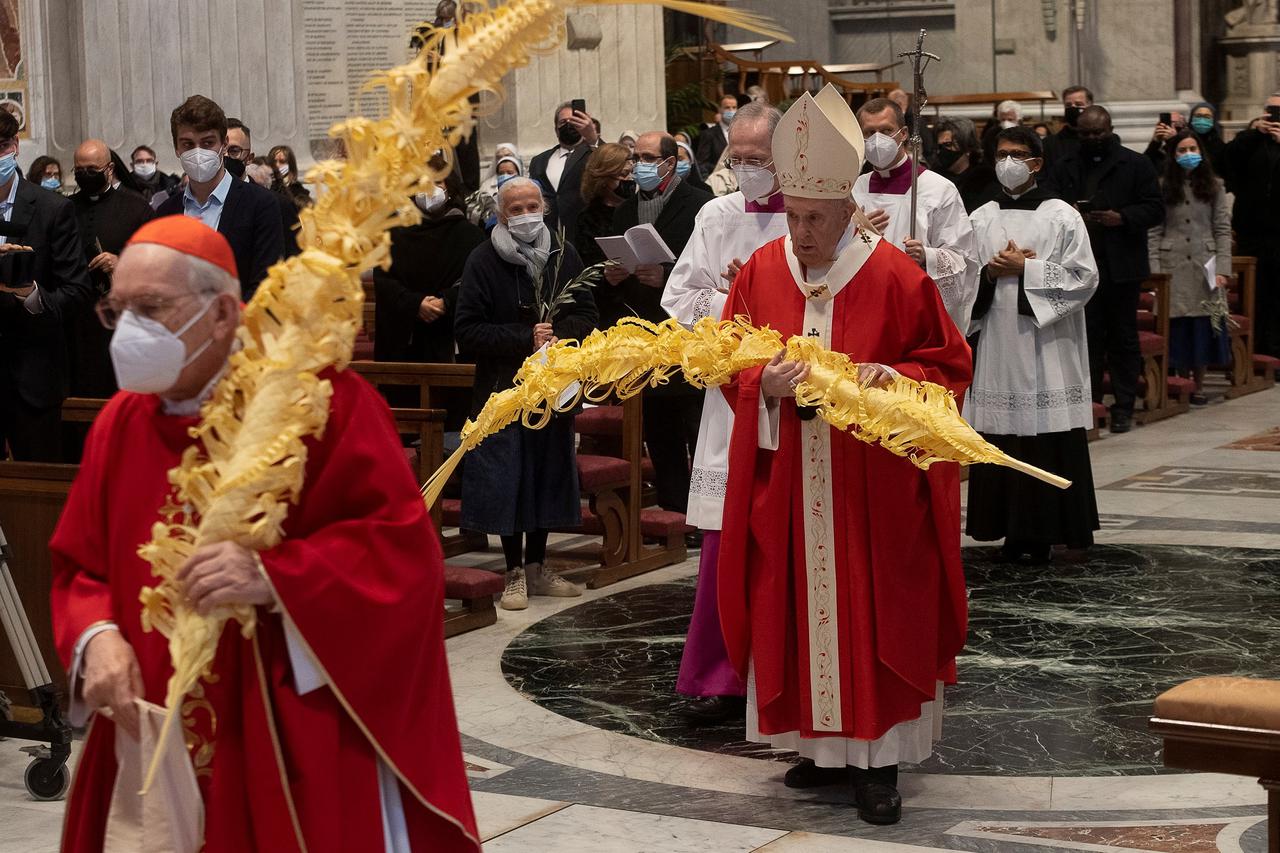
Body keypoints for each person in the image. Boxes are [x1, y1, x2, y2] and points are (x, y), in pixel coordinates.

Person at [50, 215, 480, 851]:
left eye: (151, 308)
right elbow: (80, 567)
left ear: (224, 312)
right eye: (117, 312)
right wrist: (96, 636)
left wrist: (277, 576)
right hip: (148, 724)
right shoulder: (120, 422)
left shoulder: (317, 404)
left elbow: (402, 553)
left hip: (276, 725)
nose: (131, 330)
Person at [716, 84, 972, 826]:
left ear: (847, 208)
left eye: (814, 219)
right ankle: (816, 748)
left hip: (873, 486)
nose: (799, 232)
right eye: (792, 216)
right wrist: (759, 383)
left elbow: (947, 366)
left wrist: (899, 381)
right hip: (790, 476)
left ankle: (877, 760)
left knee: (875, 608)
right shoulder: (760, 271)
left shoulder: (895, 273)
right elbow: (729, 356)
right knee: (791, 601)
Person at [660, 101, 789, 725]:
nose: (745, 171)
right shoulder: (717, 213)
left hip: (795, 395)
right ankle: (720, 675)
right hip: (731, 397)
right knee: (724, 538)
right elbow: (677, 296)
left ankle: (786, 672)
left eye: (757, 160)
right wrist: (731, 295)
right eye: (736, 160)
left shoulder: (818, 212)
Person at [454, 177, 595, 610]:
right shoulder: (482, 259)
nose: (525, 215)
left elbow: (588, 315)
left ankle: (538, 566)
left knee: (545, 473)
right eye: (515, 209)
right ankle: (513, 570)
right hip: (503, 390)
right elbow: (467, 330)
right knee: (506, 478)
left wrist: (558, 333)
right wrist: (523, 337)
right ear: (501, 214)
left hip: (552, 390)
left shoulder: (562, 254)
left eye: (532, 205)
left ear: (546, 208)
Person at [965, 126, 1100, 563]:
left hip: (1048, 344)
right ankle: (1004, 527)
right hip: (1000, 343)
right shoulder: (981, 216)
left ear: (1037, 163)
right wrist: (988, 273)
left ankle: (1055, 527)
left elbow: (1084, 278)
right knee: (1003, 434)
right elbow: (965, 277)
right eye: (1002, 154)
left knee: (1049, 433)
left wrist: (1028, 269)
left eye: (1018, 154)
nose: (1008, 161)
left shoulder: (1062, 215)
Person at [601, 131, 713, 516]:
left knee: (696, 427)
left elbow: (708, 268)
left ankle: (703, 511)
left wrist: (666, 274)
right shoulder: (624, 209)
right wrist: (615, 276)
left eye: (648, 157)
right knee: (659, 427)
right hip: (644, 331)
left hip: (686, 333)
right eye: (637, 157)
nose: (639, 164)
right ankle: (672, 508)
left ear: (669, 162)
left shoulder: (700, 204)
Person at [1045, 105, 1165, 433]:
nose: (1093, 138)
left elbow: (1155, 208)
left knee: (1123, 337)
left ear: (1109, 129)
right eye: (1086, 134)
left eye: (1098, 132)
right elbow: (1048, 202)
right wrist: (1069, 213)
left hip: (1122, 264)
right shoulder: (1066, 164)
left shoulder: (1135, 163)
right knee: (1087, 337)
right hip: (1077, 266)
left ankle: (1124, 406)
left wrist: (1122, 217)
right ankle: (1092, 403)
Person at [0, 109, 94, 461]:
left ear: (13, 147)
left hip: (33, 375)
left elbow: (77, 290)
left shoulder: (52, 210)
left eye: (1, 146)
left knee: (37, 494)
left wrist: (33, 299)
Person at [853, 97, 979, 333]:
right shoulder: (853, 190)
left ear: (903, 134)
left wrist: (927, 256)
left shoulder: (938, 189)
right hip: (863, 307)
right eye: (869, 132)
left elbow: (964, 259)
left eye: (886, 130)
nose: (877, 139)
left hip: (914, 308)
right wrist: (857, 235)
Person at [155, 95, 286, 299]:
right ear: (177, 148)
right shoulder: (165, 213)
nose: (198, 152)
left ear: (224, 144)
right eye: (188, 144)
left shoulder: (260, 204)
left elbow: (266, 286)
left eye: (207, 143)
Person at [1149, 132, 1232, 404]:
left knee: (1203, 324)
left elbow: (1222, 229)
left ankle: (1199, 383)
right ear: (1173, 155)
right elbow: (1154, 231)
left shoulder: (1215, 185)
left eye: (1192, 148)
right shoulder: (1162, 186)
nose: (1188, 154)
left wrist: (1223, 268)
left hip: (1204, 262)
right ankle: (1180, 379)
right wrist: (1155, 270)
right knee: (1178, 324)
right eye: (1182, 149)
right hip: (1172, 262)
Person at [374, 163, 484, 366]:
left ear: (449, 188)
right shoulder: (393, 234)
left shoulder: (471, 235)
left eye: (436, 181)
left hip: (452, 336)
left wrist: (446, 301)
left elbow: (478, 282)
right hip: (405, 339)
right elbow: (384, 281)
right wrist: (416, 304)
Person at [67, 138, 153, 399]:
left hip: (123, 320)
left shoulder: (137, 206)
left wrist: (121, 262)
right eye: (79, 171)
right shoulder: (67, 208)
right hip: (79, 323)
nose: (85, 176)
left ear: (109, 168)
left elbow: (153, 261)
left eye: (92, 170)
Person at [1225, 92, 1280, 357]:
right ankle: (1254, 351)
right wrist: (1252, 133)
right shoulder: (1249, 141)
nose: (1274, 115)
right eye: (1270, 110)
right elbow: (1227, 164)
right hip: (1252, 230)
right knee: (1254, 295)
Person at [527, 101, 599, 241]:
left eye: (573, 121)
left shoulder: (592, 153)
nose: (568, 125)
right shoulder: (539, 161)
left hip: (584, 232)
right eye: (563, 122)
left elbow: (609, 162)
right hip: (548, 235)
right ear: (556, 129)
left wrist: (592, 138)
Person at [573, 142, 633, 267]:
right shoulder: (589, 218)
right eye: (623, 174)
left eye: (633, 172)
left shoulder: (641, 206)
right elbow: (588, 266)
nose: (630, 179)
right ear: (604, 178)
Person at [932, 117, 999, 213]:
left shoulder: (986, 181)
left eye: (948, 144)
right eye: (939, 146)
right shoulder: (934, 179)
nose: (942, 151)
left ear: (967, 146)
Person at [1042, 85, 1092, 166]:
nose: (1073, 108)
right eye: (1068, 105)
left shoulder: (1103, 141)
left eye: (1078, 104)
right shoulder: (1049, 144)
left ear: (1090, 107)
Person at [696, 94, 738, 177]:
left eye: (734, 107)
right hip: (718, 179)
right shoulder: (708, 134)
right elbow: (701, 164)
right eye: (727, 107)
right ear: (719, 110)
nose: (731, 111)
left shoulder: (743, 133)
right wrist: (722, 168)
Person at [269, 144, 312, 210]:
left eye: (282, 161)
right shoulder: (265, 189)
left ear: (290, 165)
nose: (277, 165)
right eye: (273, 162)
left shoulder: (300, 193)